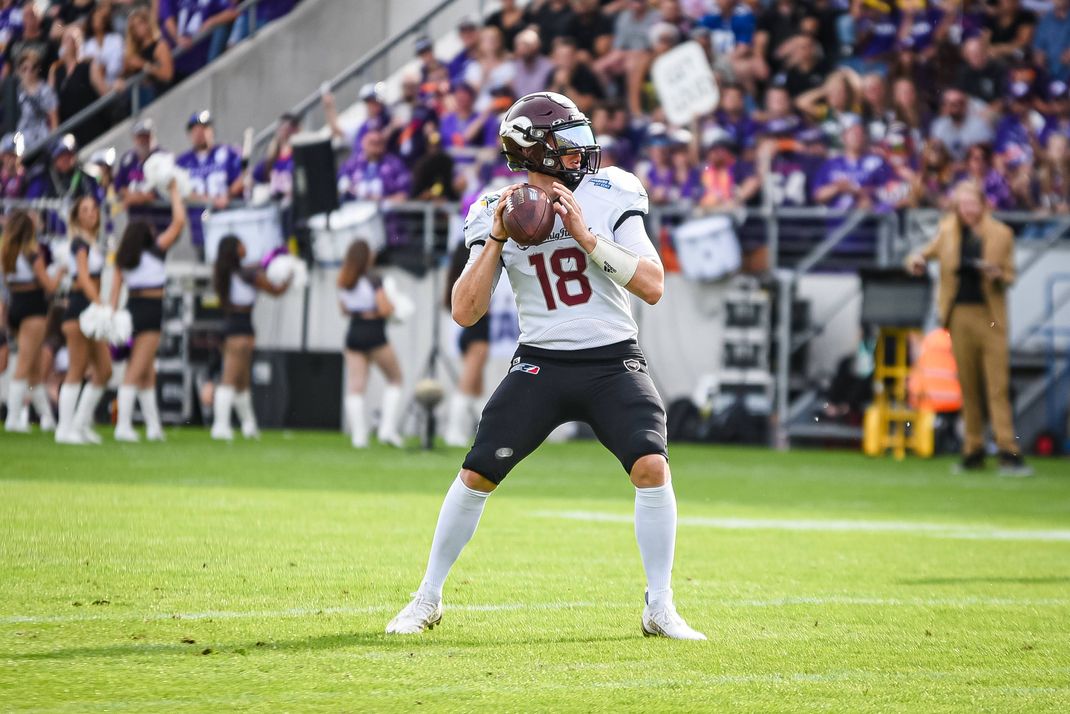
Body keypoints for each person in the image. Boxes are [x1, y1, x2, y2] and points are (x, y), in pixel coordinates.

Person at [386, 92, 705, 640]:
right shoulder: (492, 209)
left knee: (651, 465)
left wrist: (586, 238)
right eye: (567, 137)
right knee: (476, 471)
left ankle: (660, 606)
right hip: (541, 361)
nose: (581, 149)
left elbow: (651, 286)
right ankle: (427, 598)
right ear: (535, 150)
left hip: (612, 358)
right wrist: (497, 241)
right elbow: (465, 311)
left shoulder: (613, 191)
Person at [906, 181, 1032, 477]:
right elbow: (923, 254)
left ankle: (1007, 450)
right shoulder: (948, 230)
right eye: (962, 205)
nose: (968, 210)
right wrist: (916, 261)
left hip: (989, 315)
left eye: (972, 204)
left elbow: (1010, 276)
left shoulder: (1001, 233)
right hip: (958, 313)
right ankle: (972, 448)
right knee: (968, 385)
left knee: (997, 386)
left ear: (982, 204)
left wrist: (996, 273)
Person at [108, 179, 186, 442]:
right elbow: (178, 223)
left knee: (146, 372)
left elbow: (114, 296)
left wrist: (112, 320)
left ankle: (154, 426)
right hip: (151, 313)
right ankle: (123, 425)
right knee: (136, 371)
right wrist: (174, 192)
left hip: (131, 311)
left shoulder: (124, 259)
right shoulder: (154, 251)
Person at [210, 235, 290, 440]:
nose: (245, 247)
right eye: (241, 244)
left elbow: (259, 265)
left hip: (233, 326)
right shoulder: (246, 274)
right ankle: (220, 425)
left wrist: (272, 257)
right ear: (235, 250)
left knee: (242, 380)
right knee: (229, 378)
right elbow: (275, 290)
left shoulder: (226, 271)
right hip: (240, 329)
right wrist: (290, 276)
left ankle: (249, 425)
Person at [55, 194, 112, 445]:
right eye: (85, 210)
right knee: (76, 369)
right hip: (80, 309)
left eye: (94, 209)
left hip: (91, 310)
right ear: (77, 215)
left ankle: (79, 424)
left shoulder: (93, 241)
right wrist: (101, 304)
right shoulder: (79, 243)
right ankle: (64, 429)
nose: (91, 213)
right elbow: (84, 278)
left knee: (104, 370)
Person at [337, 239, 404, 448]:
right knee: (395, 379)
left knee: (356, 385)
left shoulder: (343, 280)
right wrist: (391, 307)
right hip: (374, 332)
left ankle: (359, 436)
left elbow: (344, 310)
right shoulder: (374, 280)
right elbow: (385, 309)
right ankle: (387, 429)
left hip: (354, 331)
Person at [2, 210, 62, 432]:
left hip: (16, 308)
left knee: (35, 369)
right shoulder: (32, 253)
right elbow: (50, 286)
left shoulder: (7, 252)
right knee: (24, 365)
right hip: (33, 310)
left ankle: (47, 418)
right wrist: (61, 272)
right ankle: (12, 418)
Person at [442, 241, 490, 448]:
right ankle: (453, 431)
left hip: (473, 334)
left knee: (477, 388)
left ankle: (485, 432)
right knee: (467, 384)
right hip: (476, 335)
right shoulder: (474, 275)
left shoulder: (459, 278)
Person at [49, 25, 107, 148]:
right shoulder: (56, 70)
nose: (70, 42)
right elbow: (50, 102)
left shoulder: (89, 66)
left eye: (73, 38)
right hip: (68, 128)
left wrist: (115, 86)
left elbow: (104, 91)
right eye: (67, 39)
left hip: (90, 125)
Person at [121, 6, 173, 108]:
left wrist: (143, 65)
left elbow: (167, 75)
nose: (138, 29)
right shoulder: (133, 52)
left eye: (140, 23)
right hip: (138, 100)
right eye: (133, 27)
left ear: (147, 23)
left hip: (157, 96)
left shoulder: (160, 45)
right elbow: (124, 76)